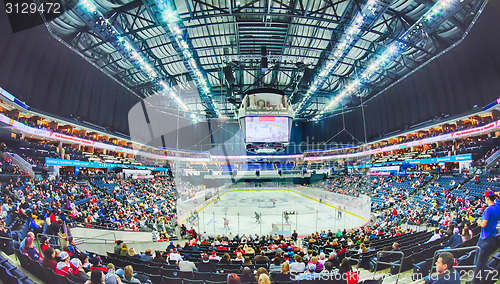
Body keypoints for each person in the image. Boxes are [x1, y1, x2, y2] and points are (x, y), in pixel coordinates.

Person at [472, 190, 500, 284]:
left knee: (478, 263)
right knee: (483, 262)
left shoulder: (488, 210)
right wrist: (496, 194)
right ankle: (482, 279)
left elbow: (484, 224)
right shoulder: (498, 206)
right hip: (492, 238)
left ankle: (476, 282)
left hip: (484, 240)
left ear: (487, 198)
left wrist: (478, 222)